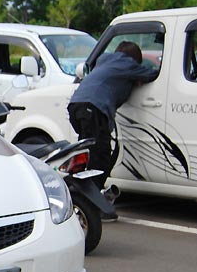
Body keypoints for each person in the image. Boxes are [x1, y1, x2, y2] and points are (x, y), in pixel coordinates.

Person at [66, 41, 158, 190]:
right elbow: (152, 75)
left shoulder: (104, 61)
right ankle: (94, 192)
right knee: (100, 154)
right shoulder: (127, 63)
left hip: (76, 106)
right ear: (135, 58)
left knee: (87, 151)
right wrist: (137, 76)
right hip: (93, 108)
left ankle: (79, 188)